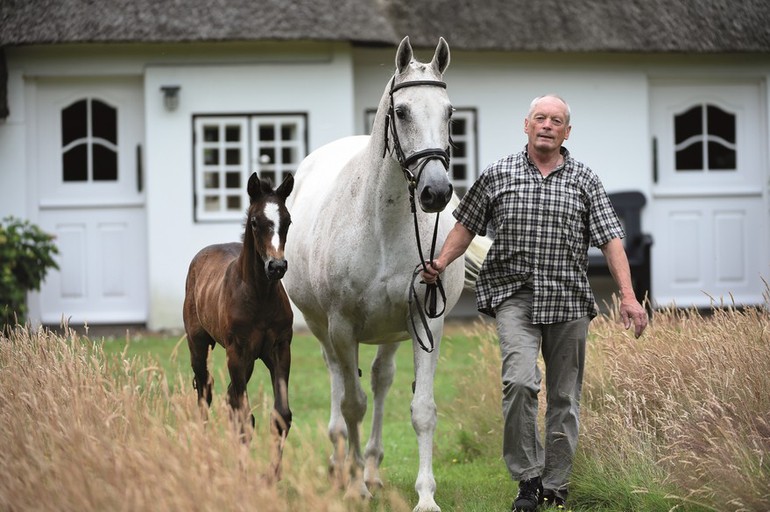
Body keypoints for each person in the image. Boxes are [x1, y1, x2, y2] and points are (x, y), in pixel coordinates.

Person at [421, 94, 648, 511]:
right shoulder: (498, 173)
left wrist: (629, 298)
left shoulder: (585, 180)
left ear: (567, 131)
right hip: (514, 295)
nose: (547, 125)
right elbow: (465, 226)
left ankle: (556, 484)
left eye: (556, 120)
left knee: (564, 395)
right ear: (525, 125)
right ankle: (528, 480)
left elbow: (612, 240)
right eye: (540, 118)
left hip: (568, 300)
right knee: (520, 382)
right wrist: (440, 262)